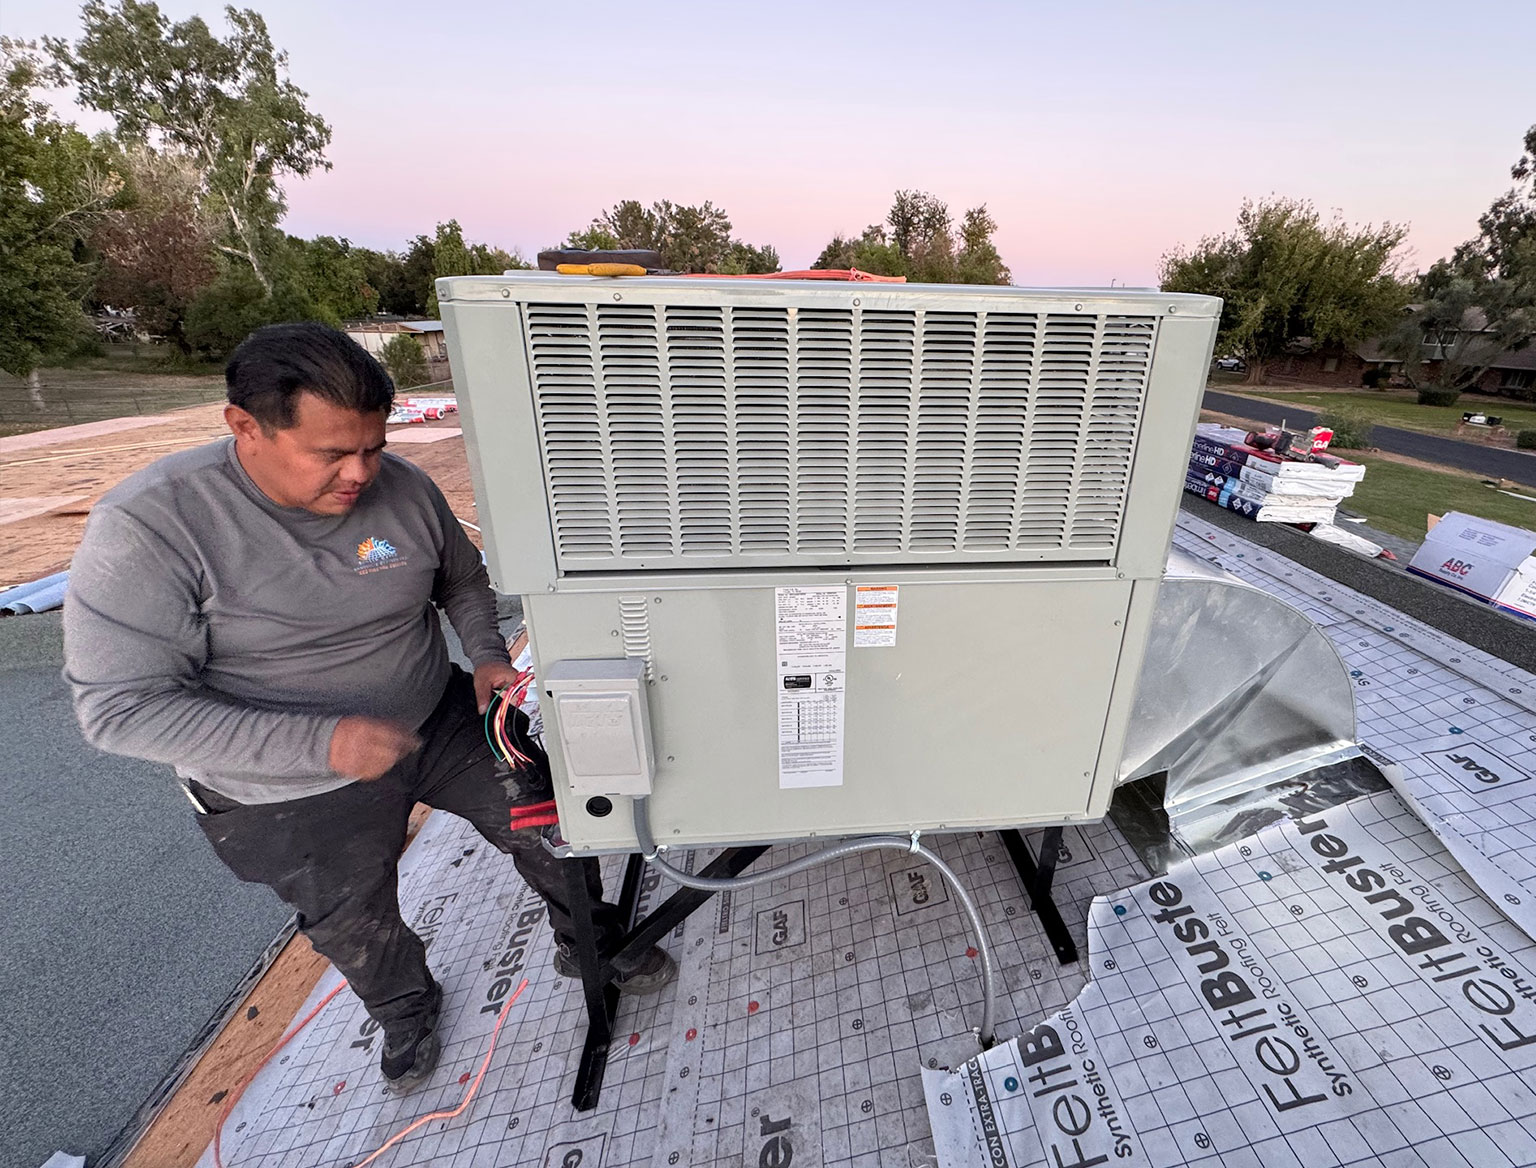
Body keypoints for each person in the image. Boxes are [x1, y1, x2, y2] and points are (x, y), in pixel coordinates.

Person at [62, 322, 674, 1094]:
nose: (359, 473)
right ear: (245, 427)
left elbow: (460, 578)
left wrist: (487, 654)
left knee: (554, 827)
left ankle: (589, 940)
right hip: (283, 788)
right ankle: (405, 1009)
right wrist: (324, 743)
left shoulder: (403, 488)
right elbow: (119, 709)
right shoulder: (154, 526)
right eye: (331, 454)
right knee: (355, 920)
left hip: (437, 716)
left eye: (373, 448)